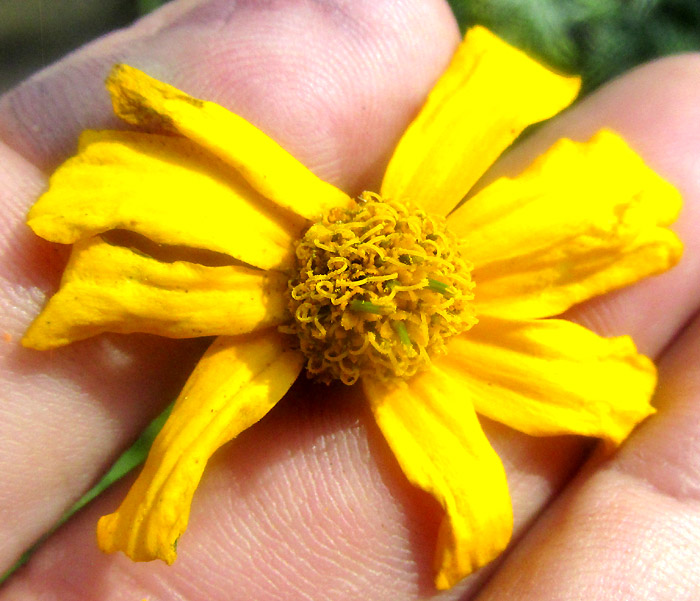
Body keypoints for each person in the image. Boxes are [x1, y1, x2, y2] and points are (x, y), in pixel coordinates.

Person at [1, 1, 699, 598]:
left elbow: (589, 397)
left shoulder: (448, 330)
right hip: (281, 268)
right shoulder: (285, 285)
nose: (391, 297)